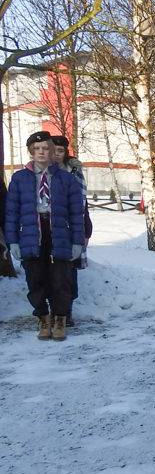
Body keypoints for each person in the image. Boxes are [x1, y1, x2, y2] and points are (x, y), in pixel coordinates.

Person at [5, 131, 84, 341]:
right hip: (31, 233)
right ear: (31, 152)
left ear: (52, 152)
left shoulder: (67, 179)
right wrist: (12, 240)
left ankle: (60, 318)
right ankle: (43, 317)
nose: (42, 152)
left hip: (59, 232)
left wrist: (78, 241)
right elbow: (11, 212)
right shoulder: (20, 178)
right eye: (37, 149)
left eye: (46, 148)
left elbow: (77, 212)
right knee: (35, 278)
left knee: (61, 278)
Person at [52, 135, 92, 326]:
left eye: (61, 151)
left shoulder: (74, 172)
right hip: (48, 229)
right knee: (50, 272)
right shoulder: (40, 172)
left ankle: (66, 312)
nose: (57, 155)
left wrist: (86, 229)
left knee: (68, 272)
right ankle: (54, 311)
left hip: (70, 229)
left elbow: (82, 204)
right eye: (54, 150)